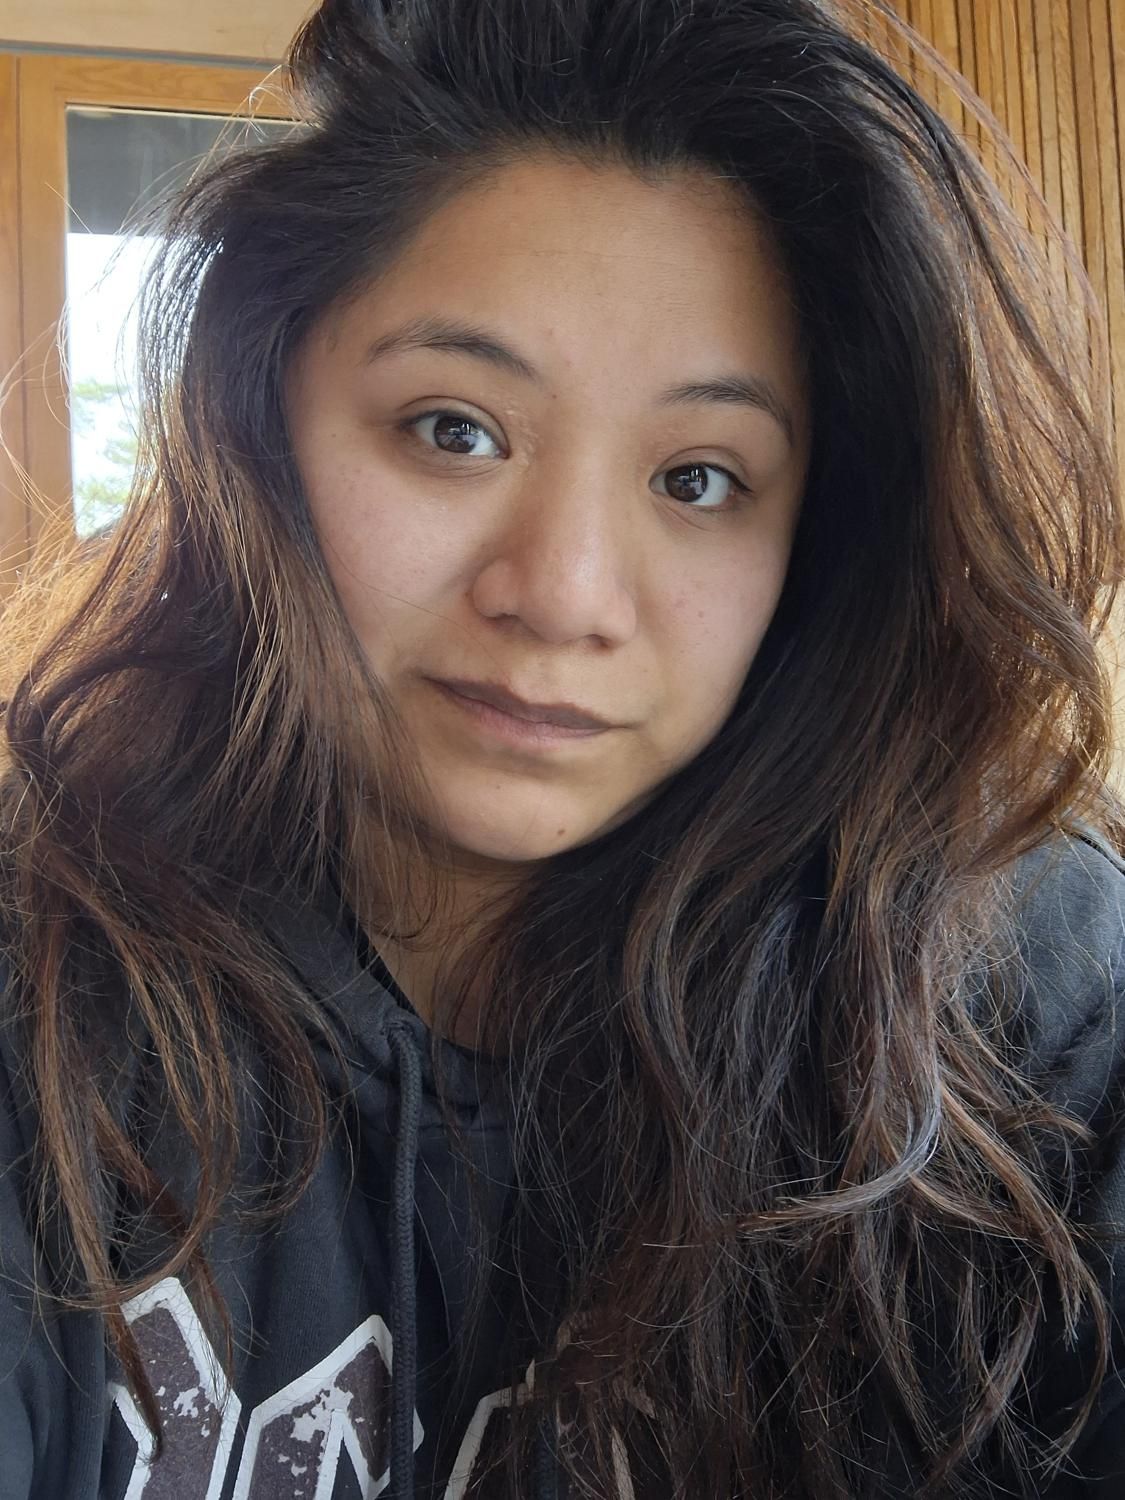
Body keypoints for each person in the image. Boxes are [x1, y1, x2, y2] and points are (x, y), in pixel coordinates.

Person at [1, 0, 1124, 1495]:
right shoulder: (46, 980)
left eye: (699, 478)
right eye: (454, 430)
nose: (565, 596)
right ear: (259, 420)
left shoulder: (1022, 995)